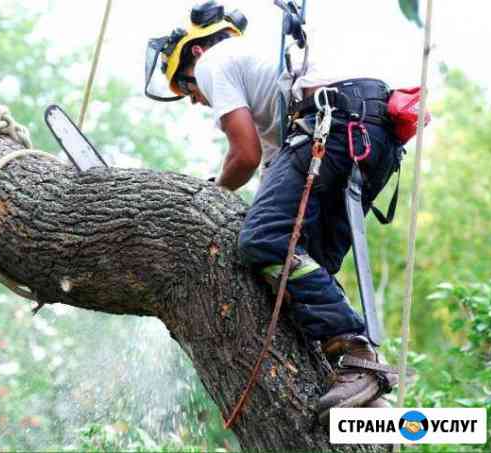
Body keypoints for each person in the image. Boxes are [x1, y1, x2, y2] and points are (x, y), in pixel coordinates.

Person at [145, 0, 400, 422]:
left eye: (187, 88)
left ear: (194, 54)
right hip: (373, 132)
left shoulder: (215, 60)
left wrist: (208, 195)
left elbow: (242, 157)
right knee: (303, 262)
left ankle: (355, 348)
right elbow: (267, 174)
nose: (195, 100)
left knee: (262, 241)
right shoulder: (269, 88)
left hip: (335, 124)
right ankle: (368, 396)